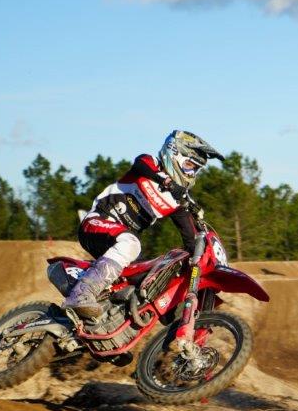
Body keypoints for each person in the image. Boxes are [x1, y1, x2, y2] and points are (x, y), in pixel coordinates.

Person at [62, 130, 224, 319]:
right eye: (189, 165)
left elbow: (190, 239)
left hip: (121, 244)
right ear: (173, 154)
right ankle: (80, 294)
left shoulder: (177, 202)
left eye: (195, 169)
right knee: (131, 244)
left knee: (156, 276)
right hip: (96, 224)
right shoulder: (149, 165)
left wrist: (200, 264)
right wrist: (167, 182)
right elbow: (140, 164)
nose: (191, 173)